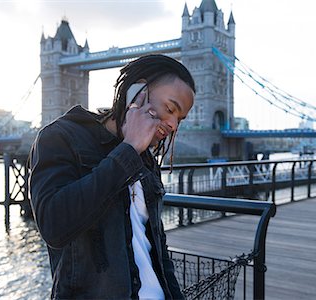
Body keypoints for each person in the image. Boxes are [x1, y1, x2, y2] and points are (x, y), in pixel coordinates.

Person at [29, 54, 195, 299]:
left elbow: (158, 253)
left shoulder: (147, 161)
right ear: (137, 91)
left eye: (179, 119)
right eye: (170, 108)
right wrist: (127, 150)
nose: (172, 124)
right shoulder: (61, 137)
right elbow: (54, 226)